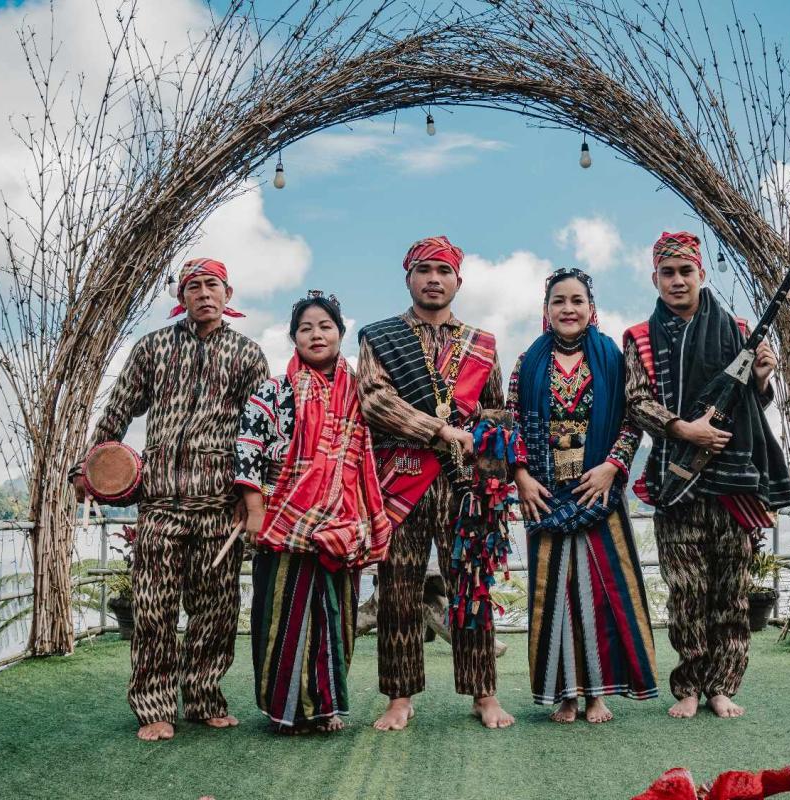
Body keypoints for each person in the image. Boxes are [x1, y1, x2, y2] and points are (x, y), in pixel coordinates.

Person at [75, 257, 268, 740]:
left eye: (212, 285)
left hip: (221, 505)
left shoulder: (248, 355)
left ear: (229, 293)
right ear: (180, 298)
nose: (204, 293)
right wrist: (89, 467)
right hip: (160, 503)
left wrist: (255, 499)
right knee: (154, 609)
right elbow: (118, 411)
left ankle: (204, 698)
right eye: (194, 286)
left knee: (217, 610)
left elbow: (260, 431)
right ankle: (155, 707)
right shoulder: (153, 348)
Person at [622, 231, 790, 720]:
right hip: (675, 480)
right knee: (686, 590)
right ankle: (690, 686)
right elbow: (636, 403)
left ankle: (722, 686)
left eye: (686, 272)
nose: (677, 281)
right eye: (668, 273)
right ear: (655, 278)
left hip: (732, 483)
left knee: (731, 593)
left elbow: (749, 407)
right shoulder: (638, 338)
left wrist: (762, 378)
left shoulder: (739, 329)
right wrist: (684, 429)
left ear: (701, 274)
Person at [355, 235, 515, 730]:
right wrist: (440, 429)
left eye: (442, 271)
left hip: (464, 485)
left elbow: (498, 413)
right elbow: (374, 402)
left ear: (458, 281)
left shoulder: (483, 344)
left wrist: (491, 487)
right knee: (397, 590)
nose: (433, 279)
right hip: (399, 480)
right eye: (423, 270)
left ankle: (483, 692)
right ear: (408, 278)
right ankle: (399, 697)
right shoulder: (379, 338)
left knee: (472, 588)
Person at [234, 291, 392, 734]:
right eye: (306, 328)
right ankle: (284, 710)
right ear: (293, 338)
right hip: (285, 519)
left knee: (335, 616)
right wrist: (254, 509)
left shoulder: (364, 393)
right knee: (279, 614)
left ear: (341, 333)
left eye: (325, 326)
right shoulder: (274, 391)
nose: (316, 334)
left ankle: (324, 708)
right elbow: (247, 450)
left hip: (344, 522)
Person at [510, 267, 658, 724]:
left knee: (601, 590)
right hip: (545, 493)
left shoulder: (611, 357)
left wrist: (612, 468)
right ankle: (566, 694)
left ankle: (597, 693)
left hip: (599, 490)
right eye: (559, 301)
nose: (568, 309)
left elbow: (633, 420)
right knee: (556, 592)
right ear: (546, 310)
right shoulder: (528, 362)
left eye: (577, 300)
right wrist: (521, 476)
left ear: (591, 309)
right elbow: (511, 425)